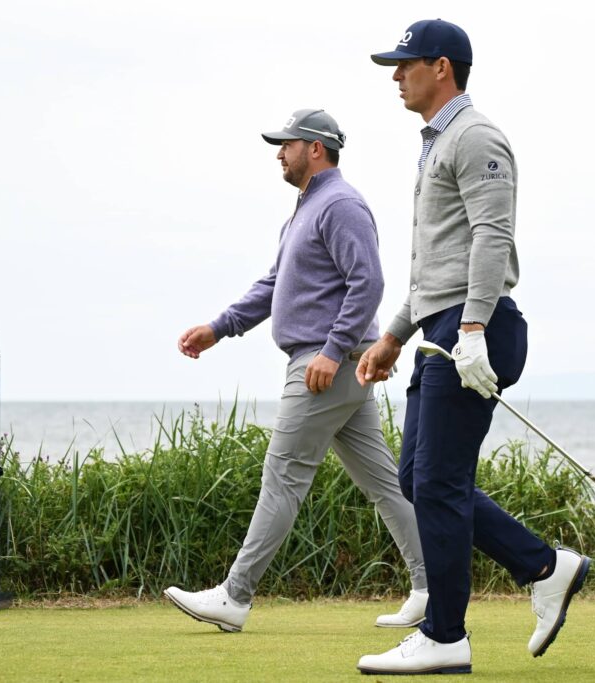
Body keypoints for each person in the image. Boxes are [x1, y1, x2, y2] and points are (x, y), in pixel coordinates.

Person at [354, 20, 591, 675]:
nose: (396, 75)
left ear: (442, 68)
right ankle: (544, 566)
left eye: (405, 64)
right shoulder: (435, 145)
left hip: (474, 328)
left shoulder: (475, 136)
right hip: (441, 328)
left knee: (435, 481)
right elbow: (437, 264)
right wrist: (393, 335)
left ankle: (445, 633)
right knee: (419, 479)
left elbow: (492, 238)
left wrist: (473, 330)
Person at [165, 109, 428, 633]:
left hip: (323, 364)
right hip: (335, 364)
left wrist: (332, 350)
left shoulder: (341, 203)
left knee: (283, 476)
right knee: (385, 483)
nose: (278, 153)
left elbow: (368, 283)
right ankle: (432, 585)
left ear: (315, 148)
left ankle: (235, 596)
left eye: (286, 144)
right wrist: (219, 328)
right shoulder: (304, 211)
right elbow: (273, 284)